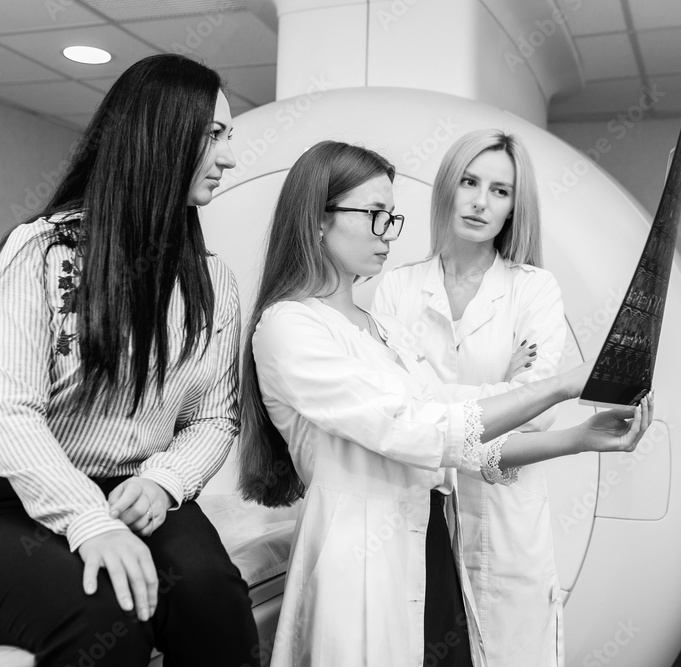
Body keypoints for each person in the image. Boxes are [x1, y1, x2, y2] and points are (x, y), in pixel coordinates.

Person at [238, 140, 653, 666]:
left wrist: (580, 437)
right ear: (317, 219)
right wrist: (561, 384)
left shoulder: (381, 328)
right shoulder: (289, 327)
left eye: (391, 217)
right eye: (374, 215)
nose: (388, 232)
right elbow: (414, 428)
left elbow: (453, 416)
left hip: (432, 540)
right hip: (362, 560)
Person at [0, 54, 261, 667]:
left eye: (228, 136)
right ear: (158, 134)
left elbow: (216, 420)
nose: (230, 157)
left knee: (213, 600)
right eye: (214, 135)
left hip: (137, 490)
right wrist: (90, 523)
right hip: (7, 502)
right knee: (104, 615)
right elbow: (11, 414)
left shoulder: (215, 281)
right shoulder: (42, 251)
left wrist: (165, 482)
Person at [373, 128, 568, 665]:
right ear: (446, 189)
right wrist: (505, 389)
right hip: (419, 504)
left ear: (513, 206)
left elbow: (538, 417)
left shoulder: (534, 288)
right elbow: (396, 409)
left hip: (504, 508)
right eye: (469, 181)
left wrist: (438, 401)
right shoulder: (397, 287)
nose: (481, 202)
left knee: (511, 651)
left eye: (500, 191)